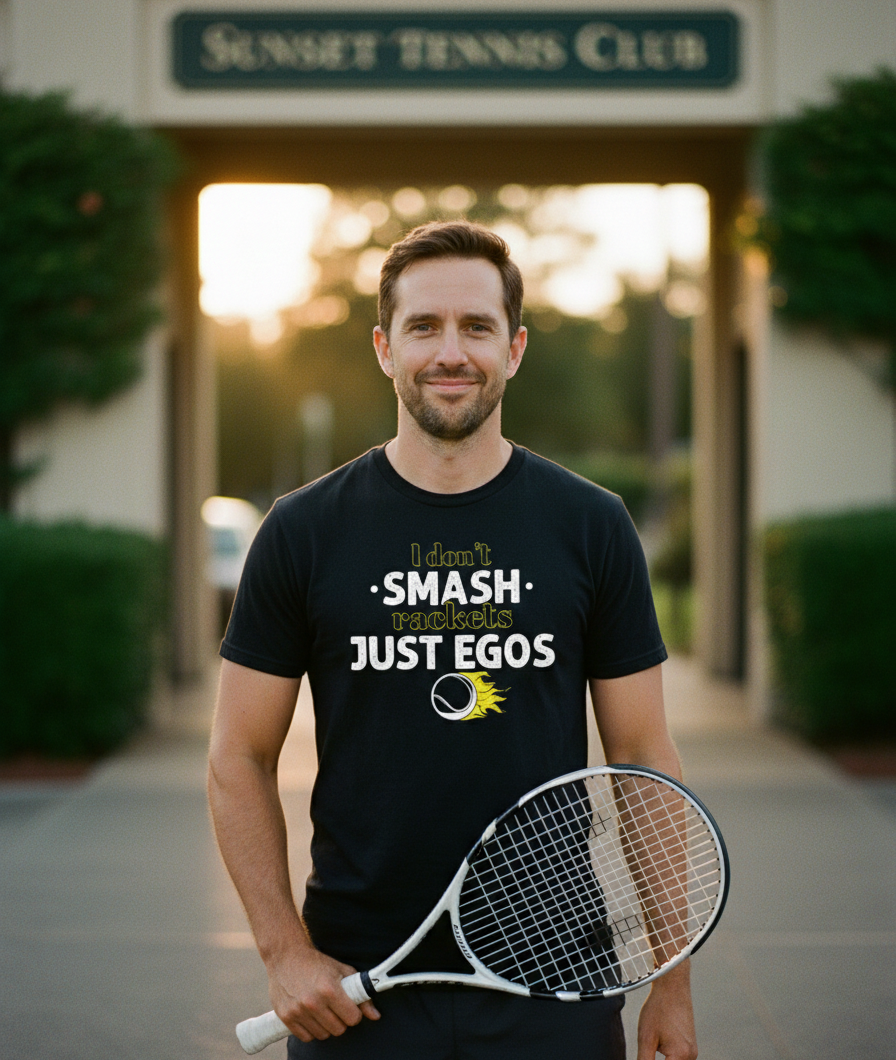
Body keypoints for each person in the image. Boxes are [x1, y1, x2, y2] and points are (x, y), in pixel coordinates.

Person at [208, 220, 697, 1060]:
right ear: (383, 346)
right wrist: (284, 953)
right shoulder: (302, 531)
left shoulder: (591, 525)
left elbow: (644, 758)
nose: (450, 351)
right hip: (358, 987)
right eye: (423, 326)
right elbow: (237, 756)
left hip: (555, 976)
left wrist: (672, 979)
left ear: (515, 348)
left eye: (476, 327)